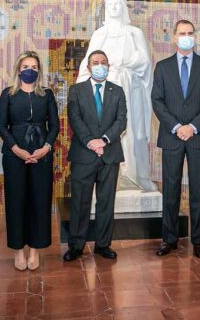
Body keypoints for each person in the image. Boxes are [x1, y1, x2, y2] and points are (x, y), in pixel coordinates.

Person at [77, 0, 156, 191]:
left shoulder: (134, 33)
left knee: (134, 131)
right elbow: (88, 63)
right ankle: (109, 178)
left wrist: (126, 63)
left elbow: (145, 62)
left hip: (132, 88)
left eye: (117, 4)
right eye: (110, 4)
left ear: (124, 7)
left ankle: (138, 175)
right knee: (107, 130)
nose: (114, 8)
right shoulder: (99, 34)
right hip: (106, 91)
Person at [152, 20, 200, 259]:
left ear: (195, 37)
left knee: (199, 190)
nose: (186, 37)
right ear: (174, 38)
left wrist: (192, 127)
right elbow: (157, 101)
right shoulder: (162, 67)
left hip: (198, 136)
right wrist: (178, 127)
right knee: (171, 189)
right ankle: (169, 239)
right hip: (172, 137)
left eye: (190, 33)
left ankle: (198, 240)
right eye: (182, 33)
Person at [0, 51, 59, 271]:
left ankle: (34, 250)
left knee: (40, 201)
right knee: (16, 201)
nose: (29, 70)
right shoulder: (8, 94)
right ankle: (19, 252)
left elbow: (54, 126)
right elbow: (1, 126)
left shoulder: (47, 95)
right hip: (14, 155)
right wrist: (16, 149)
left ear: (39, 70)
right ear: (18, 69)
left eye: (33, 66)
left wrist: (46, 148)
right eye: (25, 67)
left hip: (42, 154)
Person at [64, 50, 127, 261]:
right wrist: (92, 142)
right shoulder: (76, 90)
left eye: (104, 62)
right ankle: (76, 245)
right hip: (84, 154)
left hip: (110, 154)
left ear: (108, 66)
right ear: (89, 67)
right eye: (95, 62)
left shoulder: (117, 91)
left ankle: (103, 244)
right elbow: (75, 119)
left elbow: (121, 121)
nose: (100, 65)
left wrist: (104, 141)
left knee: (106, 202)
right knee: (80, 202)